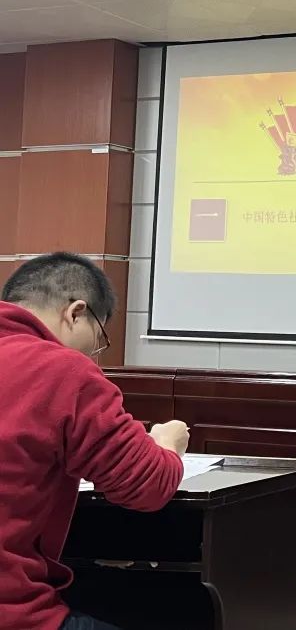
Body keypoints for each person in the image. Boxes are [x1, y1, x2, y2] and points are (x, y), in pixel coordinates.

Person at [0, 252, 190, 630]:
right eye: (98, 339)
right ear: (76, 313)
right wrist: (166, 444)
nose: (94, 356)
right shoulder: (61, 369)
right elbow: (148, 485)